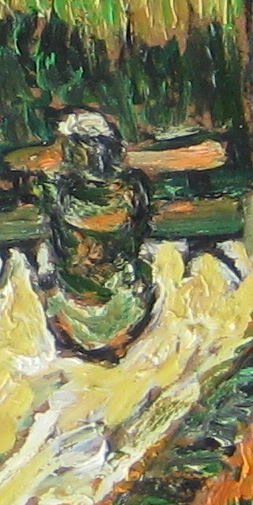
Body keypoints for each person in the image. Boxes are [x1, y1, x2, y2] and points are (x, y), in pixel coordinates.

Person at [28, 109, 156, 362]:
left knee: (46, 256)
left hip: (87, 311)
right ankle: (107, 344)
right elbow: (140, 228)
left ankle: (87, 343)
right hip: (116, 307)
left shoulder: (59, 189)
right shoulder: (132, 188)